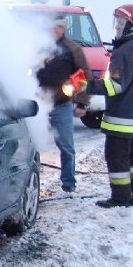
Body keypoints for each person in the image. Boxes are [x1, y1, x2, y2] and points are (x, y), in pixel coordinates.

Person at [80, 4, 133, 208]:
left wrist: (87, 85)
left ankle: (120, 197)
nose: (116, 27)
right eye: (116, 22)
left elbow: (115, 86)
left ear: (131, 26)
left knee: (117, 159)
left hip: (122, 119)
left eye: (121, 23)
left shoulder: (124, 51)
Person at [36, 15, 93, 193]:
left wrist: (82, 103)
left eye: (61, 27)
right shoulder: (37, 46)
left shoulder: (72, 49)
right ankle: (32, 181)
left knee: (66, 146)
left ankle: (69, 183)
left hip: (61, 105)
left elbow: (84, 76)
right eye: (55, 26)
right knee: (32, 145)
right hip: (38, 106)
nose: (58, 30)